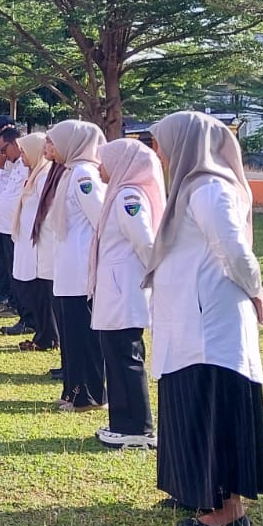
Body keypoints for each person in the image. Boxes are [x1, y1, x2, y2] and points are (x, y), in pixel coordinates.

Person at [147, 112, 263, 526]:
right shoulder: (193, 186)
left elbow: (234, 250)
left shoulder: (208, 188)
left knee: (212, 403)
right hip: (190, 317)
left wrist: (256, 291)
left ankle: (227, 508)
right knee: (188, 396)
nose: (159, 153)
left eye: (161, 142)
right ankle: (192, 487)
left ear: (184, 142)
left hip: (209, 321)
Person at [87, 139, 165, 449]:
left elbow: (145, 243)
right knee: (116, 356)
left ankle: (138, 427)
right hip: (116, 288)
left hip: (123, 290)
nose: (100, 168)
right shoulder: (119, 195)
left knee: (126, 356)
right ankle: (122, 422)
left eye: (104, 161)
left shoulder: (128, 197)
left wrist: (160, 278)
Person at [41, 119, 107, 411]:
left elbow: (101, 220)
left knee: (84, 336)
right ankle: (72, 391)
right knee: (71, 334)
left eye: (54, 141)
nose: (49, 147)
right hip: (67, 266)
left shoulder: (83, 175)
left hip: (81, 268)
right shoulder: (69, 172)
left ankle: (89, 395)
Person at [5, 132, 54, 347]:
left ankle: (47, 337)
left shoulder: (43, 176)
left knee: (41, 293)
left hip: (38, 243)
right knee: (33, 291)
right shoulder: (35, 173)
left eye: (24, 152)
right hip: (27, 241)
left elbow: (46, 211)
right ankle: (42, 335)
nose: (22, 157)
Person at [0, 125, 26, 320]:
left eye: (4, 149)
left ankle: (21, 309)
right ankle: (15, 304)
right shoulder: (18, 165)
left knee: (17, 272)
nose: (2, 154)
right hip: (6, 225)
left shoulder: (28, 167)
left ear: (16, 144)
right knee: (10, 267)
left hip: (17, 228)